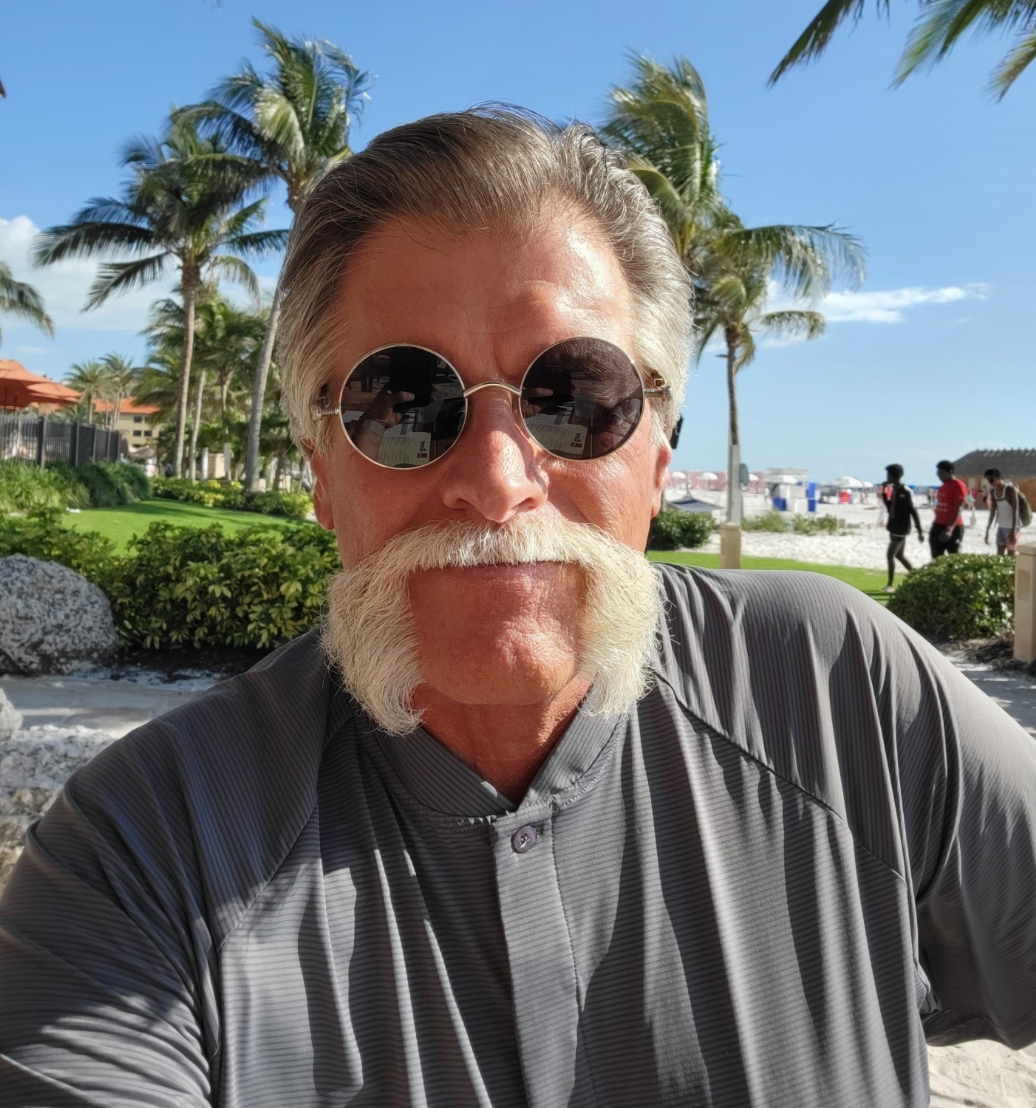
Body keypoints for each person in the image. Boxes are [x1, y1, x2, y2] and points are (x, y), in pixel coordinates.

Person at [2, 109, 1035, 1108]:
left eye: (577, 397)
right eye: (403, 403)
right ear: (321, 471)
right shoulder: (146, 847)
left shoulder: (840, 689)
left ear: (656, 455)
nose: (497, 482)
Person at [880, 463, 924, 591]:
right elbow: (890, 508)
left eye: (888, 475)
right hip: (894, 526)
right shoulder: (895, 490)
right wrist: (883, 493)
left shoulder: (905, 491)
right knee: (899, 556)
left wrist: (920, 531)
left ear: (893, 476)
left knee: (890, 555)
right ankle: (918, 577)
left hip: (901, 528)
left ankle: (890, 584)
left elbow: (913, 511)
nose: (887, 477)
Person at [930, 459, 968, 557]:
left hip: (953, 527)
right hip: (938, 525)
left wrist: (949, 529)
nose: (938, 476)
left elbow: (958, 508)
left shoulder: (959, 486)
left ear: (950, 471)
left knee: (953, 558)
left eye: (940, 473)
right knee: (936, 558)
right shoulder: (942, 487)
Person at [984, 466, 1021, 556]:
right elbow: (993, 511)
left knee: (1010, 556)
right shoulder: (993, 491)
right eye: (989, 481)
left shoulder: (1010, 490)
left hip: (1013, 528)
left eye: (992, 480)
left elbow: (1015, 511)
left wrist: (1013, 531)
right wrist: (987, 530)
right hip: (1001, 527)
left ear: (999, 477)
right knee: (999, 556)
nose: (990, 483)